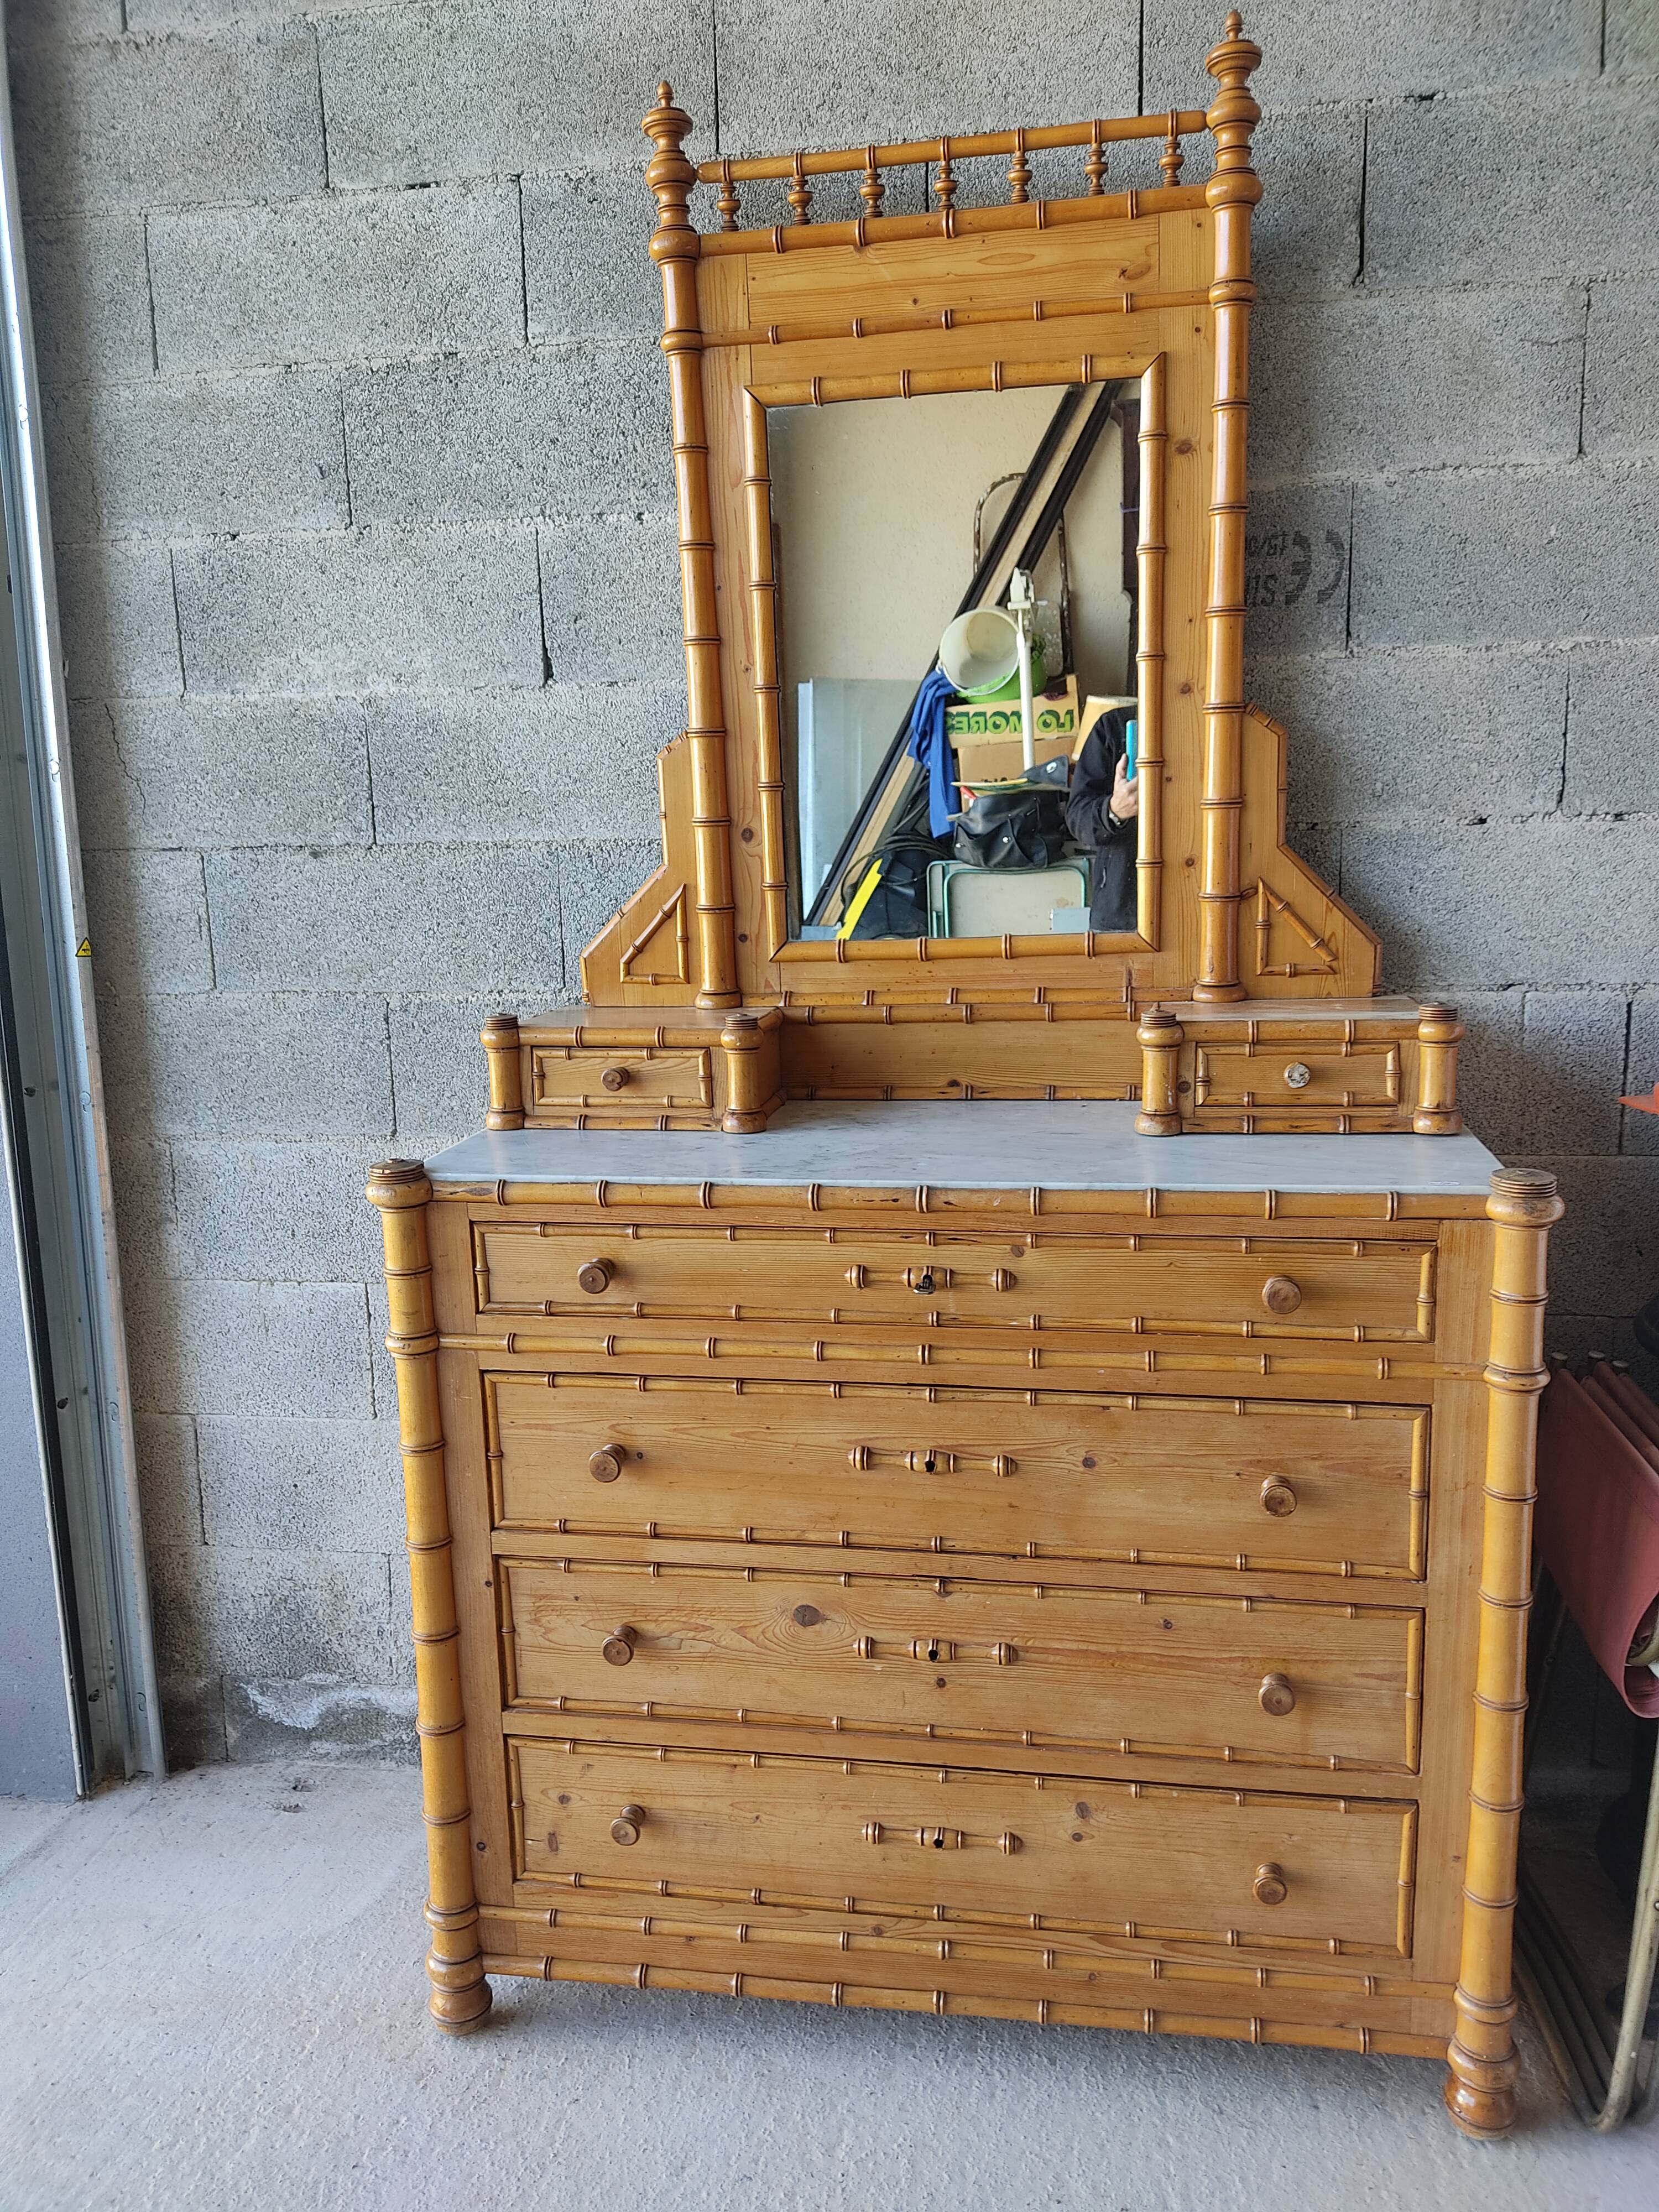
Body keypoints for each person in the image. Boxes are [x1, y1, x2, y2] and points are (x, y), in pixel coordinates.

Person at [1064, 703, 1139, 932]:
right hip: (1123, 912)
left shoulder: (1218, 724)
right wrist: (1114, 811)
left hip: (1203, 900)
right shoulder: (1115, 727)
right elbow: (1078, 817)